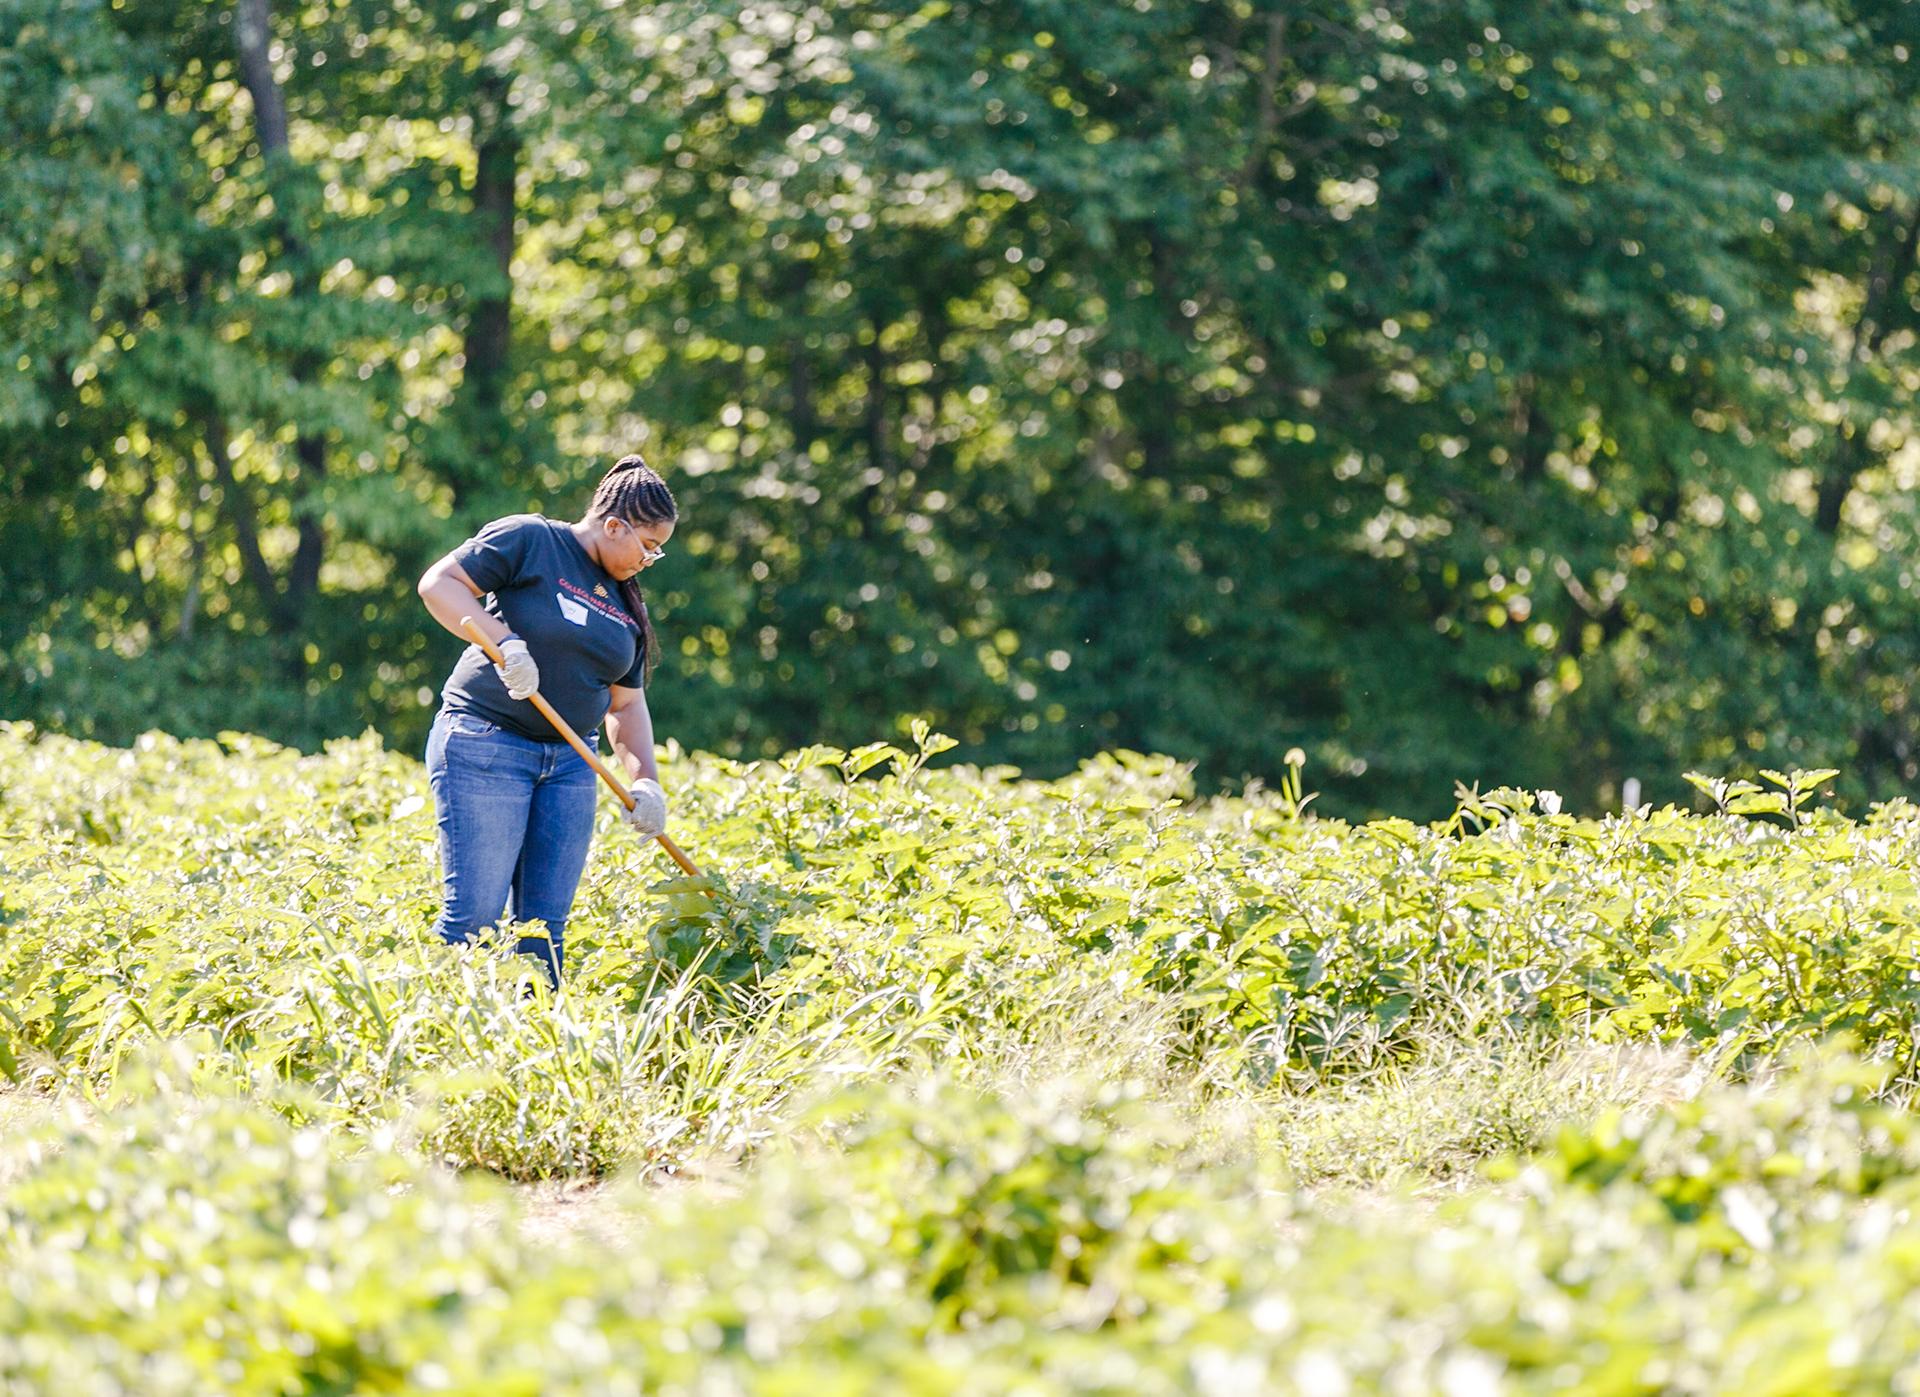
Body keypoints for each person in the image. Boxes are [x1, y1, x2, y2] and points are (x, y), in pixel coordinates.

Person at [415, 454, 677, 986]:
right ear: (613, 525)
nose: (650, 559)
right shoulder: (532, 539)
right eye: (648, 545)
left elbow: (625, 706)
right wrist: (505, 644)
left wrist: (645, 779)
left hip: (570, 765)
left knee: (542, 931)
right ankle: (443, 1051)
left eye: (658, 550)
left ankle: (534, 1052)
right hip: (485, 744)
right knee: (475, 920)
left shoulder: (625, 606)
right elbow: (438, 585)